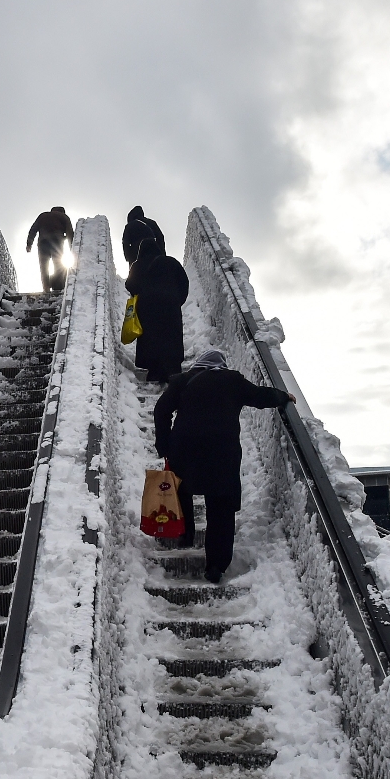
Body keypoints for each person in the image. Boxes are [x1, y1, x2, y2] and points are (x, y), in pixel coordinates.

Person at [153, 350, 294, 583]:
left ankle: (185, 533)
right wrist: (283, 396)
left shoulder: (183, 381)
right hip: (222, 451)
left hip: (185, 448)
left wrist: (164, 445)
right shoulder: (232, 381)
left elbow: (161, 410)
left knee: (181, 488)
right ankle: (216, 565)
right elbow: (260, 396)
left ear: (199, 366)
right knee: (221, 506)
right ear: (222, 366)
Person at [130, 239, 189, 383]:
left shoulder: (138, 265)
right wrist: (177, 300)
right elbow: (184, 283)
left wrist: (140, 295)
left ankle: (155, 372)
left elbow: (130, 284)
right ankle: (173, 370)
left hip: (148, 307)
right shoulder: (172, 262)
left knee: (151, 337)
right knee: (171, 336)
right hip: (171, 306)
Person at [26, 207, 74, 292]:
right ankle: (58, 286)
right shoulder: (64, 217)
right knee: (58, 265)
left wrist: (29, 244)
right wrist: (72, 248)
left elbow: (33, 229)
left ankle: (46, 288)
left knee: (44, 267)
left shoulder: (43, 215)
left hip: (43, 244)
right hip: (57, 243)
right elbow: (70, 233)